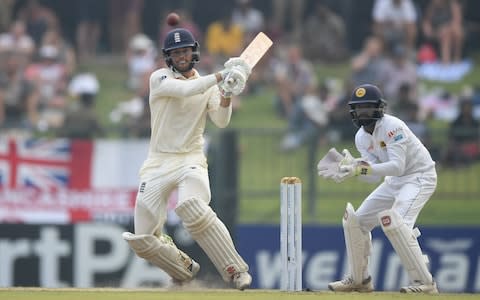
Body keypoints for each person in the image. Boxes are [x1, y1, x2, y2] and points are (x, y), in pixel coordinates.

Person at [121, 28, 253, 290]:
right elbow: (185, 91)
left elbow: (221, 121)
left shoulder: (209, 85)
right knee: (142, 239)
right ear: (168, 57)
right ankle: (182, 269)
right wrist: (220, 76)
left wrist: (226, 93)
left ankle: (236, 271)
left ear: (194, 52)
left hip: (191, 159)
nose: (181, 56)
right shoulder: (159, 78)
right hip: (158, 163)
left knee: (191, 206)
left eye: (185, 51)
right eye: (175, 52)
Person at [317, 84, 438, 293]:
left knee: (398, 223)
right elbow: (373, 176)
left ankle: (425, 282)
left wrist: (359, 169)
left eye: (367, 107)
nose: (363, 113)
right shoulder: (361, 137)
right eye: (359, 108)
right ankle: (359, 280)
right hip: (393, 181)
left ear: (379, 108)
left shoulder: (393, 127)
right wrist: (352, 168)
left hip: (418, 177)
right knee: (357, 222)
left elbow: (397, 166)